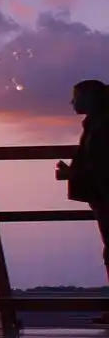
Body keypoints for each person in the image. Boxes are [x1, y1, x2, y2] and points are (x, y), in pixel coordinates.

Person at [55, 78, 109, 324]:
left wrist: (71, 174)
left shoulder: (100, 126)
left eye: (76, 97)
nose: (72, 102)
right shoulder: (97, 124)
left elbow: (101, 165)